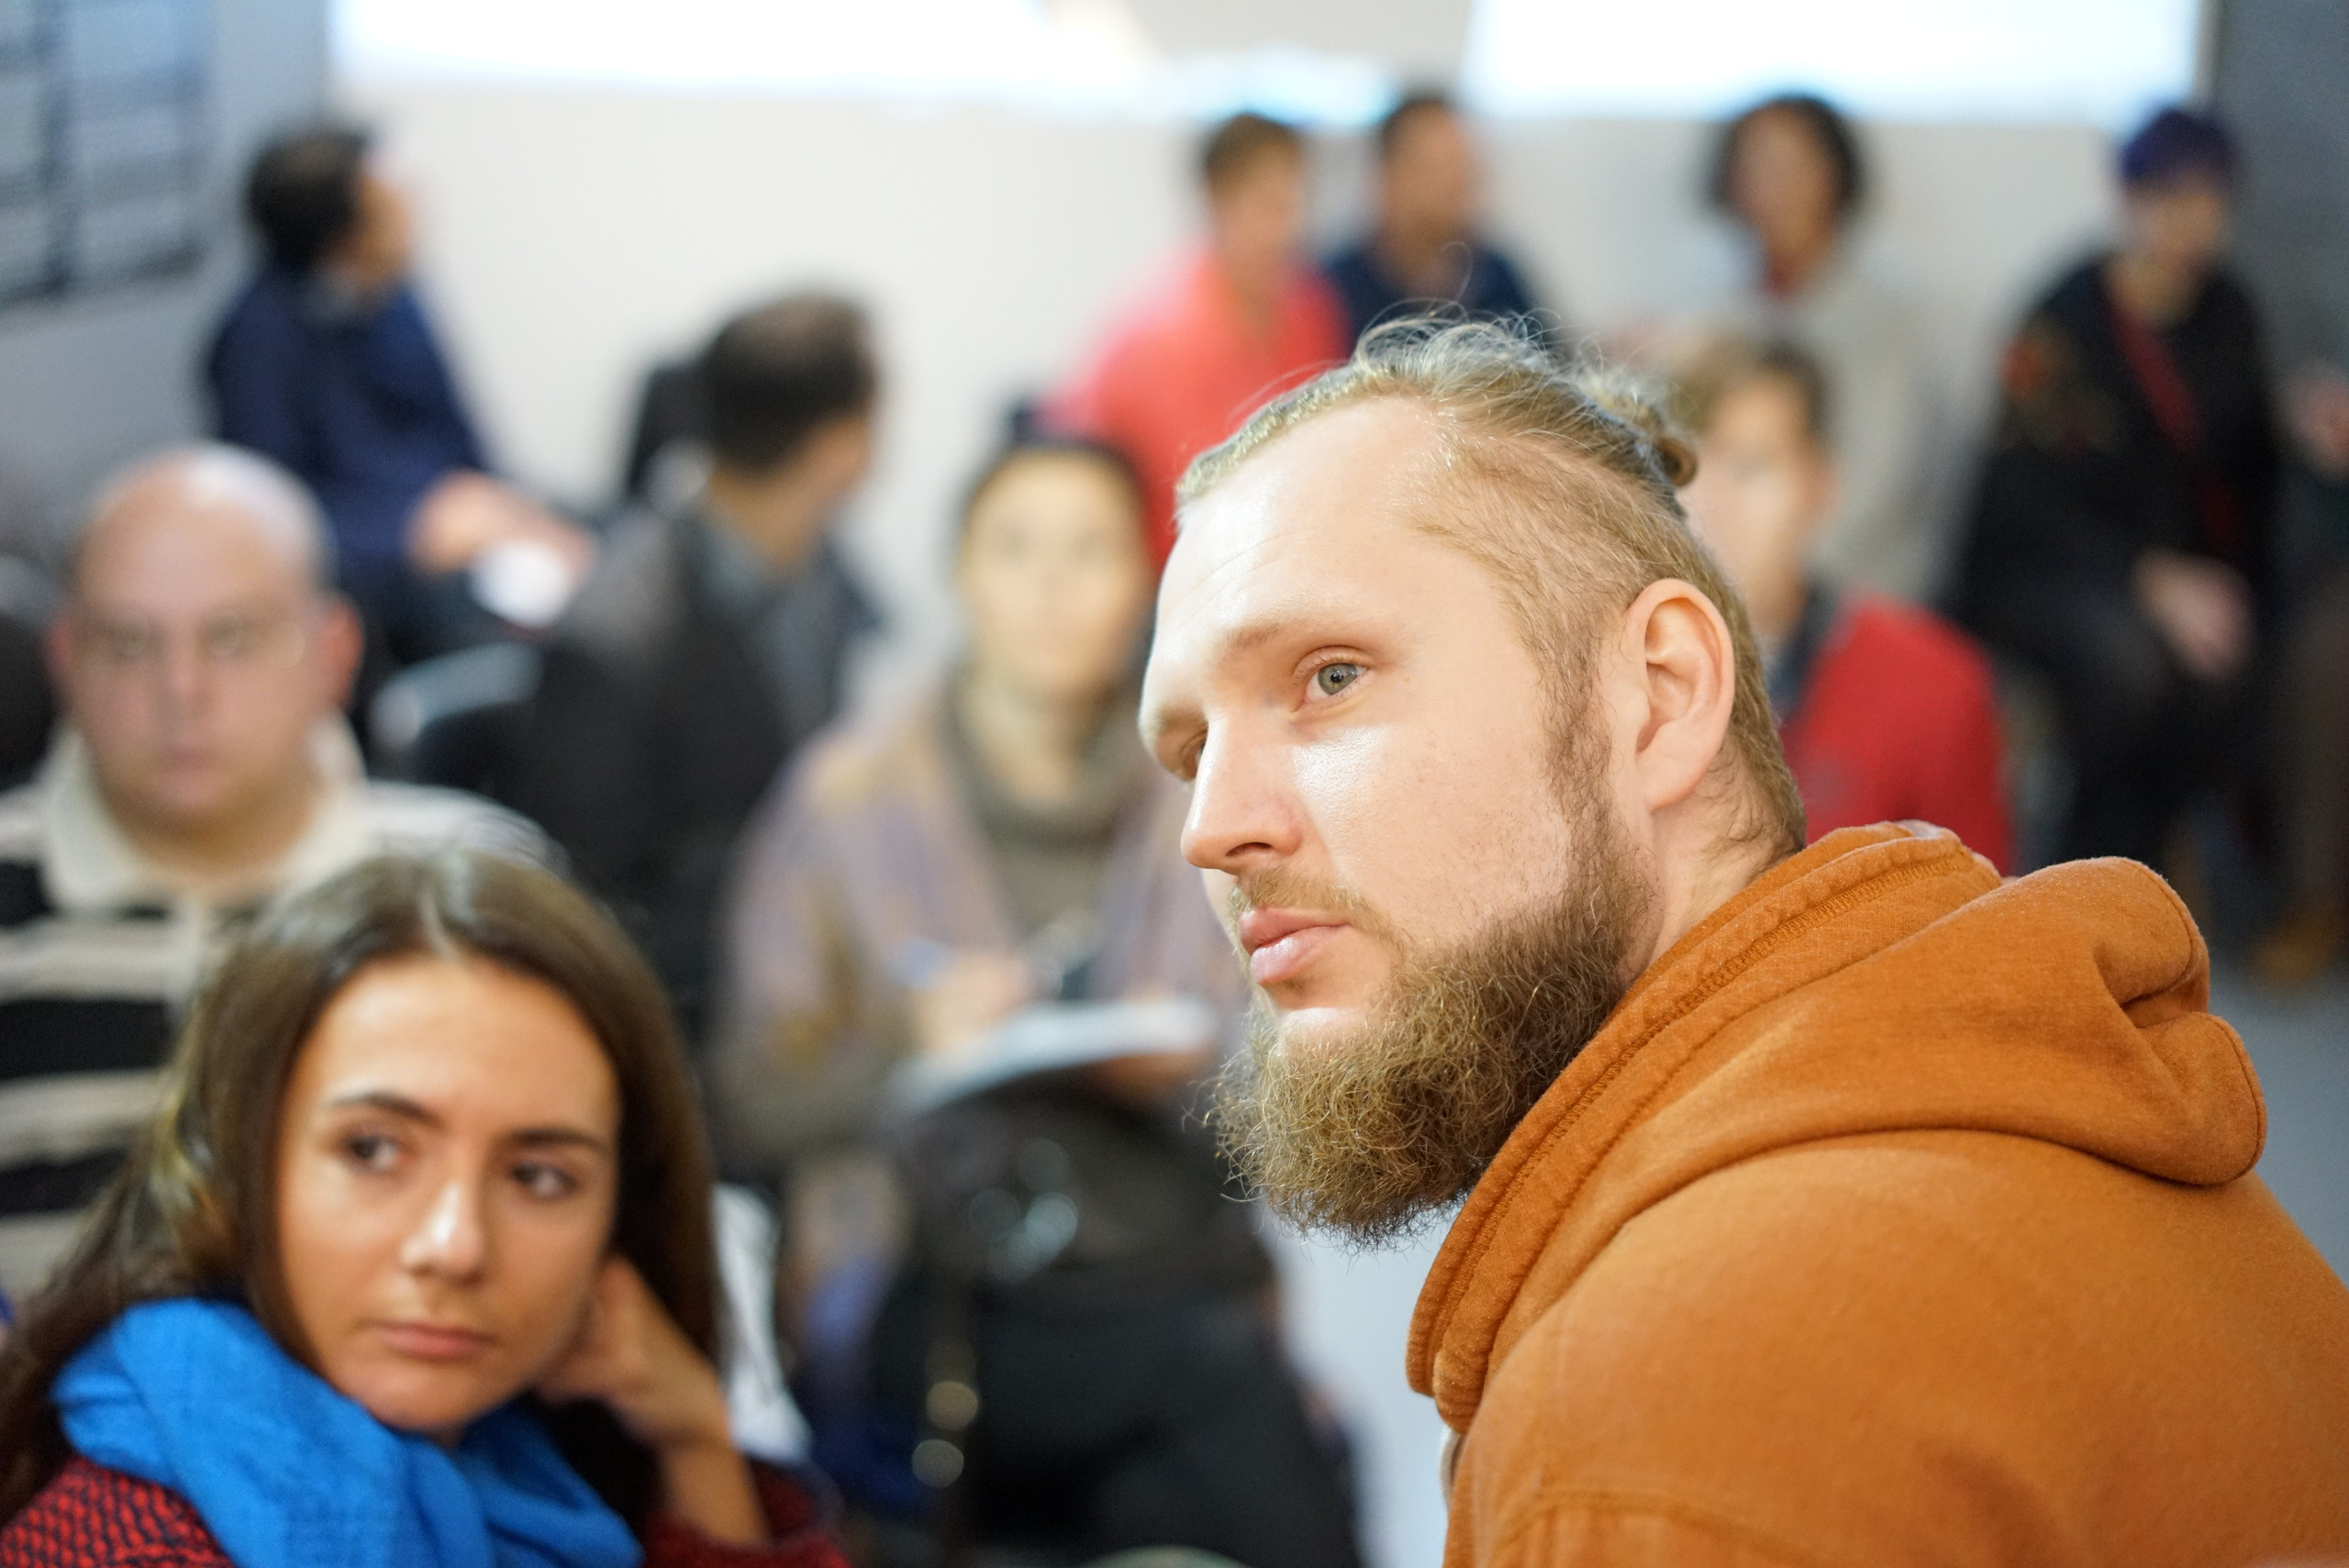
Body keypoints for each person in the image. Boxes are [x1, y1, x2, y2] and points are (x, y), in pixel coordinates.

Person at [1139, 319, 2349, 1562]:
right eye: (1188, 749)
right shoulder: (2012, 1120)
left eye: (1331, 677)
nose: (1209, 829)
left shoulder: (1656, 1434)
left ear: (1659, 696)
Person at [715, 439, 1356, 1568]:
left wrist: (1183, 1061)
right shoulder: (847, 800)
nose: (1052, 584)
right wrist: (908, 1048)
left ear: (1145, 583)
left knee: (1164, 1486)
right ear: (960, 576)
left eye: (1088, 550)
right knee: (1220, 1389)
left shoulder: (1208, 796)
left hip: (1162, 1246)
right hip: (936, 1278)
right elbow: (751, 1094)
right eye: (1015, 549)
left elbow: (1304, 1067)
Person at [0, 851, 847, 1567]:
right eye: (373, 1150)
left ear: (616, 1225)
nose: (455, 1245)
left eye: (539, 1176)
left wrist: (694, 1438)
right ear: (240, 1174)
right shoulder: (132, 1542)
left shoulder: (531, 1468)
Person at [0, 447, 544, 1303]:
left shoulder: (478, 880)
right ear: (65, 657)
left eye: (233, 638)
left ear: (334, 651)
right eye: (129, 642)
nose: (182, 689)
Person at [517, 294, 880, 1046]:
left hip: (804, 940)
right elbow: (602, 911)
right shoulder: (615, 641)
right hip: (697, 1006)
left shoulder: (819, 568)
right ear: (839, 447)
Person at [1957, 107, 2279, 871]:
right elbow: (2019, 500)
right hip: (2043, 570)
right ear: (2129, 200)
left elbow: (2249, 472)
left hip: (2177, 573)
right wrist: (2149, 577)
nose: (2190, 223)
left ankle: (2146, 866)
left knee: (2225, 661)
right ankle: (2080, 868)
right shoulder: (2063, 318)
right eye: (2170, 198)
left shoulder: (2229, 314)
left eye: (2210, 201)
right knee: (2126, 667)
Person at [206, 123, 588, 662]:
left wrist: (515, 513)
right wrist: (410, 535)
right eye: (388, 204)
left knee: (598, 550)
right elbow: (272, 517)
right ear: (341, 237)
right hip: (381, 571)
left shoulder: (397, 297)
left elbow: (467, 440)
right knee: (521, 647)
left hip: (466, 527)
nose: (411, 212)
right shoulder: (256, 340)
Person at [1675, 335, 2011, 868]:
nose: (1708, 502)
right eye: (1681, 467)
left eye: (1747, 465)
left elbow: (1988, 910)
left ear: (1819, 485)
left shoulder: (1935, 691)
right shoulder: (1608, 679)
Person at [1044, 113, 1349, 569]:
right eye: (1270, 205)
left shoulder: (1311, 307)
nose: (1290, 226)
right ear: (1216, 200)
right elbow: (1199, 502)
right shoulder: (1162, 331)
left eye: (1298, 200)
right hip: (1163, 567)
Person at [1702, 94, 1943, 602]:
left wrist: (1767, 561)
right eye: (1753, 170)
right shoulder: (1717, 310)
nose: (1772, 190)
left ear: (1835, 177)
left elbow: (1879, 486)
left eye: (1791, 169)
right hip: (1738, 569)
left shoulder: (1887, 316)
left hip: (1857, 583)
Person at [1321, 91, 1543, 346]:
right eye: (1437, 167)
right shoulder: (1333, 295)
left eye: (1463, 165)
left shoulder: (1498, 279)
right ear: (1387, 176)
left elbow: (1548, 359)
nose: (1457, 183)